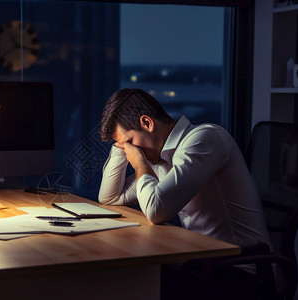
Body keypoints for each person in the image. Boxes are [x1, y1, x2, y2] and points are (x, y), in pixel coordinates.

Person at [98, 88, 272, 299]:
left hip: (241, 271)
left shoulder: (204, 140)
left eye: (130, 142)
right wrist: (120, 149)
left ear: (147, 123)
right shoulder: (161, 160)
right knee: (126, 278)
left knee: (135, 285)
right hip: (203, 263)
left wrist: (139, 163)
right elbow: (110, 198)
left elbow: (156, 210)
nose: (131, 150)